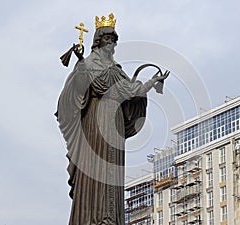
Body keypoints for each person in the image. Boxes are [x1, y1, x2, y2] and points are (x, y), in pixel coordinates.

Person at [55, 14, 169, 225]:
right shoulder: (88, 64)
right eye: (108, 39)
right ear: (99, 41)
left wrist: (153, 81)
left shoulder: (117, 71)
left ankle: (111, 216)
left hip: (114, 124)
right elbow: (74, 93)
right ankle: (93, 217)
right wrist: (80, 64)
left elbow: (132, 91)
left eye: (114, 40)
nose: (112, 44)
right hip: (94, 123)